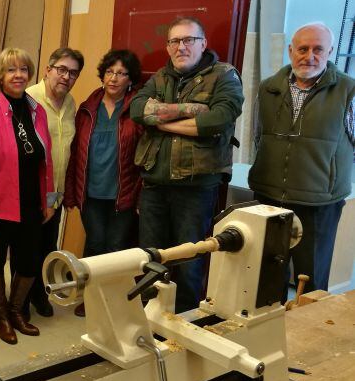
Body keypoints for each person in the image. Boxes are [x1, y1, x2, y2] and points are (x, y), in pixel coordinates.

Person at [130, 16, 244, 313]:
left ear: (203, 43)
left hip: (195, 188)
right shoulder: (159, 78)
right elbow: (139, 110)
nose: (181, 47)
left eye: (188, 40)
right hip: (154, 184)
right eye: (174, 41)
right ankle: (150, 316)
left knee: (189, 260)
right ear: (168, 47)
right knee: (150, 257)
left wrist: (163, 122)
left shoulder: (224, 75)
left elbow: (218, 118)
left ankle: (182, 323)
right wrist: (192, 112)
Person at [249, 22, 355, 293]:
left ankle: (305, 334)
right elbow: (259, 136)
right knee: (266, 278)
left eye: (318, 49)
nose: (310, 56)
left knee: (311, 281)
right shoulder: (268, 89)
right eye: (303, 48)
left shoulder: (348, 91)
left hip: (318, 203)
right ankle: (268, 333)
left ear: (330, 51)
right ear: (290, 50)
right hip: (269, 197)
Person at [0, 48, 56, 344]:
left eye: (23, 69)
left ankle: (16, 310)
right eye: (11, 70)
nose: (18, 75)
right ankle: (1, 317)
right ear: (0, 76)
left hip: (32, 204)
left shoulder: (38, 111)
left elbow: (46, 160)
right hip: (1, 206)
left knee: (31, 262)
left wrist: (48, 199)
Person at [64, 49, 144, 317]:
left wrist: (143, 196)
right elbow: (75, 152)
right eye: (110, 72)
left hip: (123, 192)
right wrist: (70, 193)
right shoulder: (87, 108)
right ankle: (92, 298)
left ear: (130, 79)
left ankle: (113, 301)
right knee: (95, 244)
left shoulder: (137, 108)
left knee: (116, 248)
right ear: (102, 75)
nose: (114, 78)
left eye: (121, 73)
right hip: (91, 192)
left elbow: (145, 154)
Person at [23, 47, 83, 318]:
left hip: (55, 195)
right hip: (31, 193)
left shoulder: (70, 104)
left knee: (47, 248)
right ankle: (19, 304)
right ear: (47, 70)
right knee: (27, 250)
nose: (66, 77)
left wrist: (66, 194)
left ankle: (39, 293)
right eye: (61, 70)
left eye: (73, 73)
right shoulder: (27, 100)